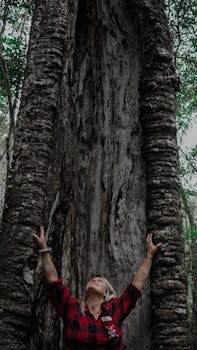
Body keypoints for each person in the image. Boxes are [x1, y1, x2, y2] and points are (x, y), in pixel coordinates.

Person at [33, 227, 161, 349]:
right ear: (86, 290)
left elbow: (137, 285)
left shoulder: (115, 308)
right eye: (92, 280)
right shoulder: (72, 307)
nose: (95, 280)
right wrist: (44, 248)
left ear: (106, 293)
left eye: (100, 281)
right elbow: (53, 281)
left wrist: (149, 255)